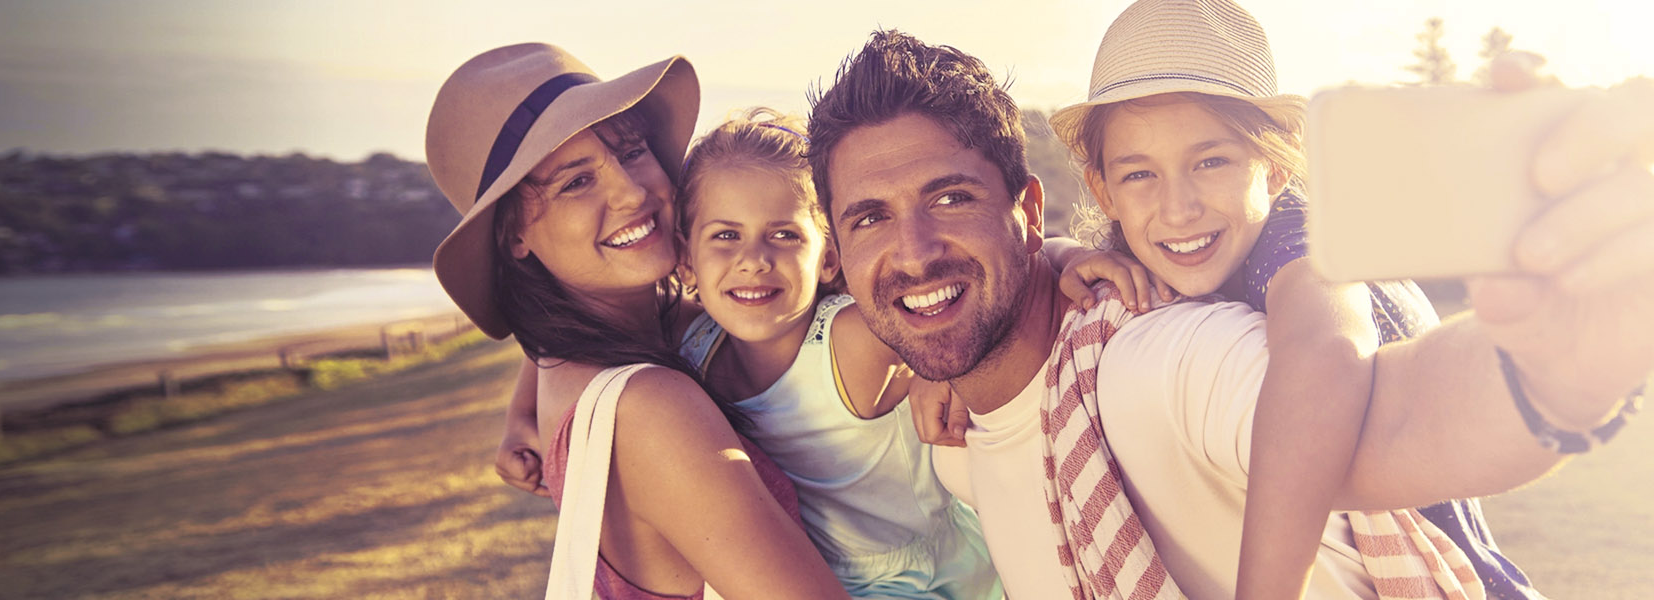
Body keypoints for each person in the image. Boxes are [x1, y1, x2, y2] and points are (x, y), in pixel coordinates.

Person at [807, 20, 1654, 600]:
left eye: (949, 198)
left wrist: (1556, 375)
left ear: (1029, 210)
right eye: (870, 216)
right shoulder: (960, 444)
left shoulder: (1164, 357)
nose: (913, 250)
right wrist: (941, 350)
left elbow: (1382, 414)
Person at [1034, 1, 1539, 597]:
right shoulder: (1144, 260)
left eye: (1212, 161)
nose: (1178, 208)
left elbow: (1325, 353)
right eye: (1139, 175)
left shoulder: (1303, 242)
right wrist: (1059, 255)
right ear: (1103, 189)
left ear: (1273, 166)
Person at [425, 43, 845, 599]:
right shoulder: (650, 408)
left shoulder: (581, 361)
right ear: (513, 236)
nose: (632, 193)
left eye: (630, 152)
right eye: (575, 182)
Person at [667, 108, 1002, 598]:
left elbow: (983, 292)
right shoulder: (694, 346)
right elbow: (587, 316)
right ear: (685, 262)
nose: (754, 260)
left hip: (922, 582)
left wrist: (1067, 255)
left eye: (784, 235)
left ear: (828, 258)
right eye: (726, 235)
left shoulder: (850, 340)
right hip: (798, 576)